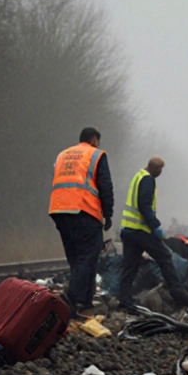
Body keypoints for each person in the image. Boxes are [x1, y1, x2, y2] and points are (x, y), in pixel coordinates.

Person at [117, 157, 188, 311]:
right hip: (142, 231)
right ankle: (179, 294)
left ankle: (124, 300)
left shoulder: (138, 176)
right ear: (155, 168)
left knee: (129, 266)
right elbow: (144, 205)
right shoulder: (148, 180)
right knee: (165, 257)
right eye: (160, 169)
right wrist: (155, 226)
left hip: (129, 230)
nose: (161, 173)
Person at [49, 127, 114, 317]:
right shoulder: (96, 155)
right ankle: (69, 301)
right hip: (84, 210)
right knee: (88, 255)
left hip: (59, 209)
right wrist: (108, 213)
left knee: (76, 259)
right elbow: (105, 185)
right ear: (94, 139)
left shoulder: (63, 155)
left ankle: (83, 301)